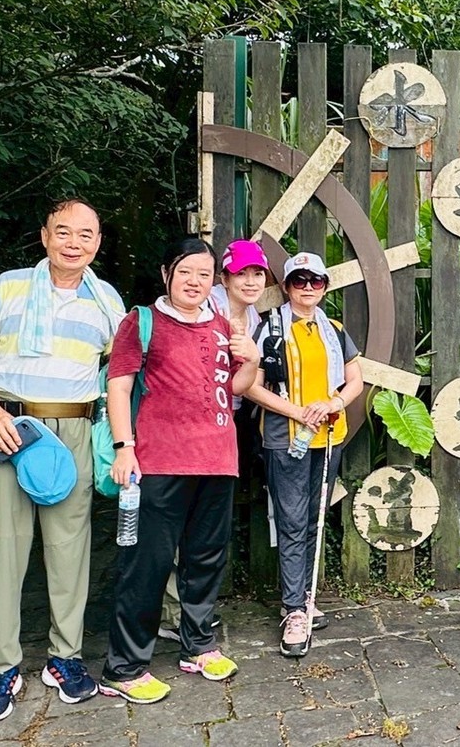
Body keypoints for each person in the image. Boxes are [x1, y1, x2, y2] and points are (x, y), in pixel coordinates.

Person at [0, 198, 126, 722]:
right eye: (64, 232)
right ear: (45, 236)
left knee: (70, 548)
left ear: (97, 243)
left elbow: (121, 372)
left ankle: (65, 658)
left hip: (75, 428)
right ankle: (0, 669)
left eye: (86, 234)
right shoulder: (8, 287)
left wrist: (120, 439)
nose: (74, 243)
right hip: (13, 428)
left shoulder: (107, 301)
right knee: (5, 550)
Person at [98, 238, 261, 703]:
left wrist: (251, 359)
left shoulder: (221, 324)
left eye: (204, 274)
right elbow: (118, 387)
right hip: (159, 461)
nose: (195, 281)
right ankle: (124, 667)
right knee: (146, 563)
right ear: (166, 273)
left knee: (206, 558)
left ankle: (199, 646)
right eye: (186, 271)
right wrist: (124, 448)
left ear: (214, 281)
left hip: (218, 459)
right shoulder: (141, 322)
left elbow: (236, 387)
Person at [247, 252, 365, 658]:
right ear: (286, 287)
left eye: (316, 281)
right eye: (300, 280)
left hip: (329, 436)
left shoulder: (335, 330)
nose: (308, 288)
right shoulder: (270, 329)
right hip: (286, 436)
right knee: (292, 520)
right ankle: (294, 610)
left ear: (325, 287)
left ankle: (303, 598)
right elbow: (251, 385)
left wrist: (334, 403)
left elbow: (355, 380)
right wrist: (297, 412)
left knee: (314, 518)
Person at [157, 239, 269, 643]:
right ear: (224, 277)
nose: (250, 282)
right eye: (241, 274)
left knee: (204, 527)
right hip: (185, 424)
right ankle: (170, 614)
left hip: (224, 422)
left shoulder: (253, 318)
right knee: (174, 521)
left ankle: (190, 615)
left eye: (257, 274)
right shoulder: (205, 308)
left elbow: (243, 379)